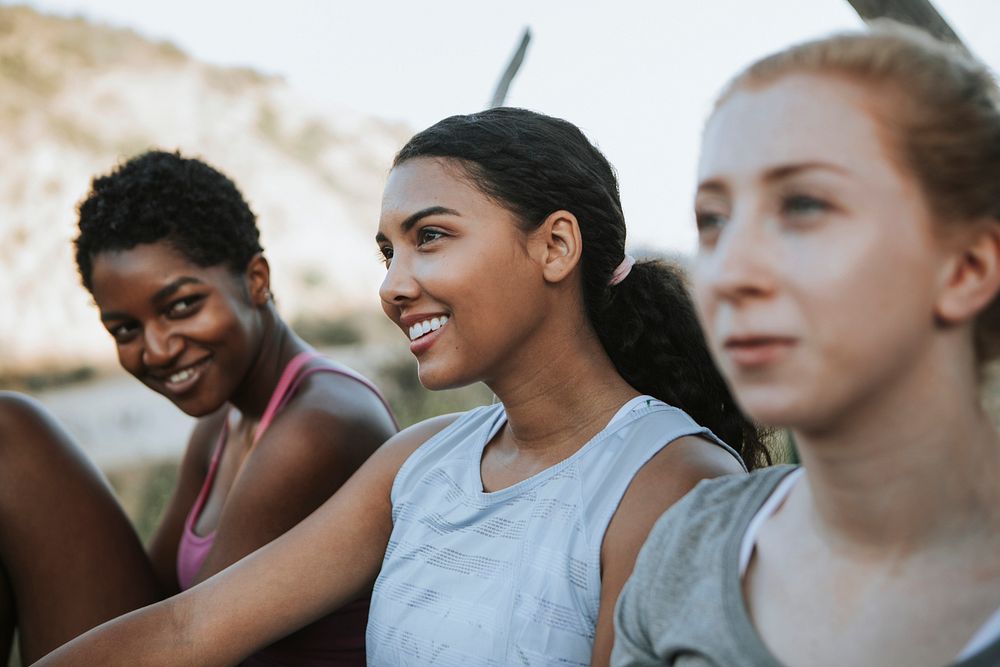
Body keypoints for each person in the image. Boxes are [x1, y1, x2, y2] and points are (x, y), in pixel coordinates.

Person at [35, 108, 768, 667]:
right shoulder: (419, 462)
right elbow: (189, 626)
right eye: (388, 251)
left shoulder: (670, 481)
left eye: (431, 237)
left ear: (556, 246)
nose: (393, 285)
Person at [612, 23, 1000, 667]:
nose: (731, 272)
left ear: (966, 268)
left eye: (804, 205)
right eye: (713, 221)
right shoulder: (689, 544)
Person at [0, 151, 397, 665]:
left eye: (181, 305)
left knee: (10, 431)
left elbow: (189, 637)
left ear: (257, 280)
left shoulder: (318, 425)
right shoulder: (223, 421)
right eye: (126, 329)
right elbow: (158, 594)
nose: (157, 349)